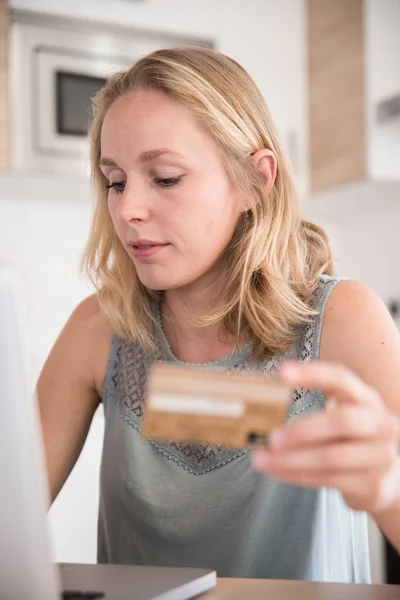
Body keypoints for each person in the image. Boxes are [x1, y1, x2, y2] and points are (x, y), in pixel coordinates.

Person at [37, 46, 400, 583]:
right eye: (115, 181)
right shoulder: (97, 329)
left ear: (255, 180)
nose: (128, 208)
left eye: (164, 178)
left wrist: (389, 487)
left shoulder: (343, 321)